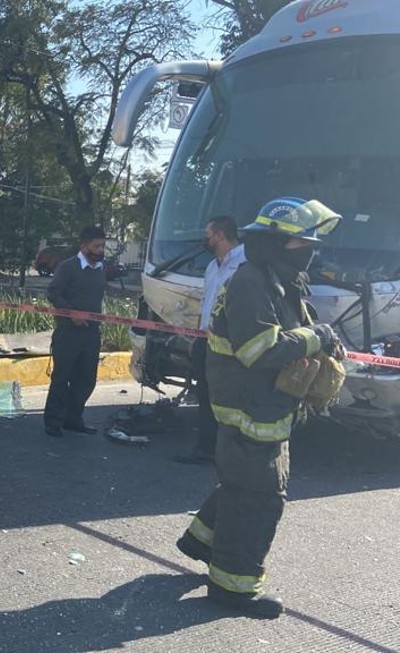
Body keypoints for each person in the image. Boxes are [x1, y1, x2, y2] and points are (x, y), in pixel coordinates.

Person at [175, 197, 342, 619]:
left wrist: (321, 338)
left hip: (264, 404)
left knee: (241, 484)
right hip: (249, 408)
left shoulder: (276, 277)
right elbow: (259, 349)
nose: (308, 250)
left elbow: (290, 329)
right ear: (272, 242)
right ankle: (232, 586)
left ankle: (201, 541)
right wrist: (316, 336)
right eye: (299, 243)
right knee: (261, 497)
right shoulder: (252, 282)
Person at [176, 216, 246, 464]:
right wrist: (197, 336)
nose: (205, 239)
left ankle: (230, 454)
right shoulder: (212, 266)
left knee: (228, 400)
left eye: (208, 234)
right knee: (205, 396)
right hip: (206, 342)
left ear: (220, 235)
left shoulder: (245, 263)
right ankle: (206, 448)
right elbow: (206, 303)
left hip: (231, 346)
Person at [43, 225, 108, 437]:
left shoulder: (100, 269)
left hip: (91, 333)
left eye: (102, 246)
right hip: (68, 332)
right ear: (84, 246)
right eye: (96, 246)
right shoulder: (68, 267)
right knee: (62, 377)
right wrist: (71, 313)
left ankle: (73, 418)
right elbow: (53, 293)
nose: (100, 250)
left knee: (86, 378)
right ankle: (53, 421)